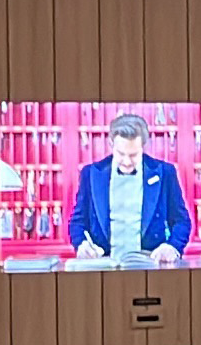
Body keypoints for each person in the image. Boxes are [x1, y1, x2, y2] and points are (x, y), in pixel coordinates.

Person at [67, 109, 193, 267]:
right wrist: (81, 244)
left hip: (150, 265)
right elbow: (77, 222)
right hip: (104, 265)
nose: (127, 162)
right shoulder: (91, 174)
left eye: (133, 155)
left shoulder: (165, 172)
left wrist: (172, 246)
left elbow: (182, 221)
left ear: (143, 147)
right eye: (121, 154)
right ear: (111, 144)